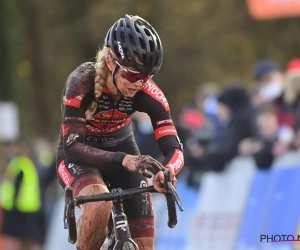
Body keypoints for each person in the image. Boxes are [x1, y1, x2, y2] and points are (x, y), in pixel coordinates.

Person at [55, 14, 184, 250]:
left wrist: (168, 170)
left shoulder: (148, 92)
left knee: (145, 244)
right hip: (80, 155)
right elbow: (72, 148)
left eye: (147, 77)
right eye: (133, 75)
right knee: (100, 204)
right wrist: (124, 160)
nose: (138, 84)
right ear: (112, 62)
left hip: (123, 150)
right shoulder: (81, 82)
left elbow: (175, 148)